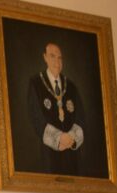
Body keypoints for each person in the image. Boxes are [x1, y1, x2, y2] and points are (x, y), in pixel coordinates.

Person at [27, 42, 84, 175]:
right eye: (52, 56)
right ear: (45, 57)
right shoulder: (35, 83)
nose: (57, 61)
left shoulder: (70, 86)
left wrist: (71, 138)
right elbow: (36, 118)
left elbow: (81, 118)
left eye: (60, 58)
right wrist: (59, 138)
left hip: (72, 155)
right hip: (49, 154)